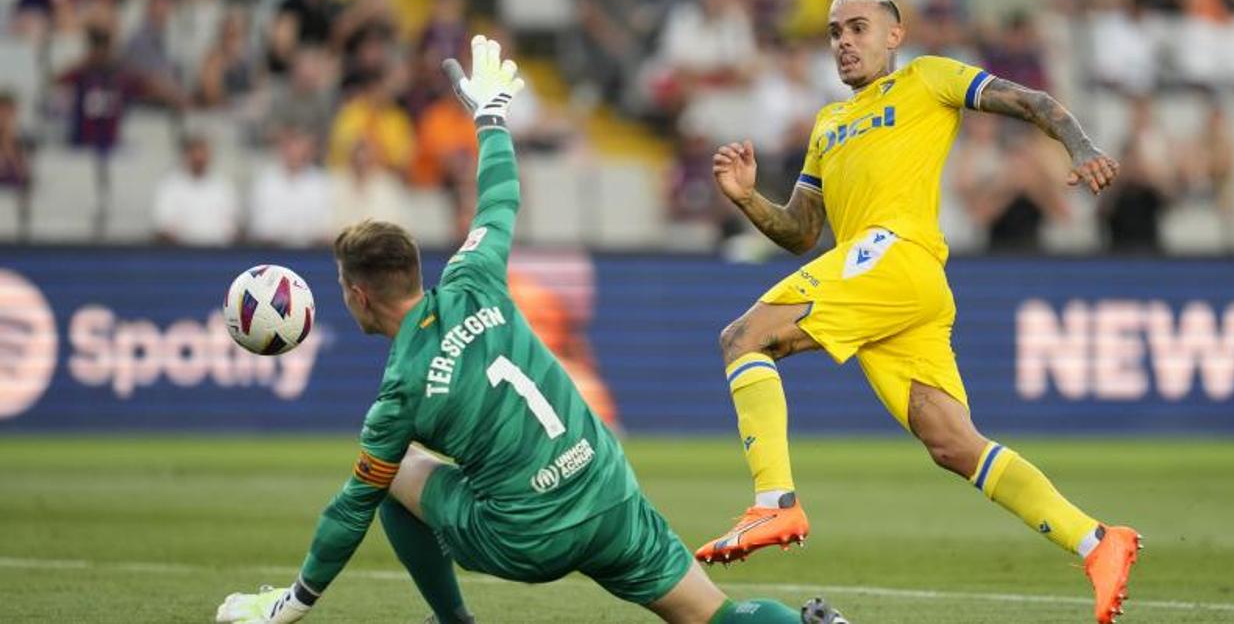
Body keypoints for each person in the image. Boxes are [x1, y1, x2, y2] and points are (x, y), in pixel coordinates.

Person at [215, 36, 844, 624]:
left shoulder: (399, 391)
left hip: (528, 538)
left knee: (393, 474)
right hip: (605, 488)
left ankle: (453, 621)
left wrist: (292, 605)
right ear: (414, 269)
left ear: (357, 294)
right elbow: (499, 196)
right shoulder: (474, 273)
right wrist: (490, 117)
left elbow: (348, 511)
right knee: (713, 615)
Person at [695, 0, 1139, 624]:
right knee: (952, 442)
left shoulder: (929, 79)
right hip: (890, 285)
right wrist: (745, 197)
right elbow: (800, 231)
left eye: (858, 28)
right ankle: (1098, 542)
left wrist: (1081, 146)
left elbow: (1032, 101)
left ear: (894, 35)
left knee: (744, 338)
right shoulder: (828, 124)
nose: (844, 42)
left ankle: (774, 499)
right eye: (834, 32)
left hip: (897, 254)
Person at [153, 133, 239, 245]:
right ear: (186, 156)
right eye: (195, 155)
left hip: (218, 253)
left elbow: (232, 225)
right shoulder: (169, 186)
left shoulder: (224, 186)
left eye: (203, 154)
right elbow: (164, 225)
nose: (199, 159)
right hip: (181, 253)